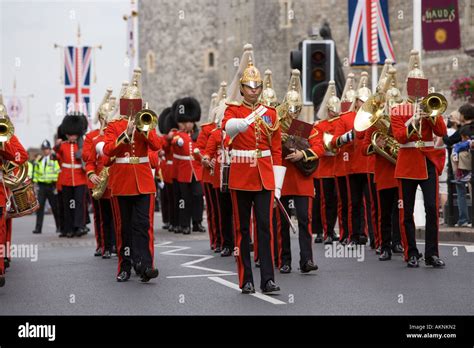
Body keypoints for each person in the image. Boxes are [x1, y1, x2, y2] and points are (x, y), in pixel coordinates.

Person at [222, 45, 283, 294]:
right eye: (249, 87)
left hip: (265, 176)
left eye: (257, 87)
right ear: (242, 88)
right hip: (240, 174)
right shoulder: (233, 110)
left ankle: (267, 278)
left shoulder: (270, 113)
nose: (254, 91)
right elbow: (227, 129)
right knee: (242, 229)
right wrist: (241, 122)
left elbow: (277, 149)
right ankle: (245, 278)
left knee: (265, 228)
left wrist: (278, 184)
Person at [102, 68, 161, 282]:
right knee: (124, 228)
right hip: (122, 182)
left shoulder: (146, 122)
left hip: (144, 182)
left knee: (143, 225)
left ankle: (145, 265)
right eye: (129, 103)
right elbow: (108, 150)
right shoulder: (114, 125)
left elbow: (157, 145)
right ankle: (124, 265)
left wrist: (143, 130)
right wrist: (125, 135)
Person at [391, 50, 447, 268]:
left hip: (428, 163)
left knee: (432, 210)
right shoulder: (398, 110)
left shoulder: (429, 104)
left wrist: (431, 115)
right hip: (407, 164)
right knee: (407, 212)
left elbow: (441, 131)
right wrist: (413, 120)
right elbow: (399, 137)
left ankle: (432, 253)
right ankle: (411, 252)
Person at [274, 69, 321, 274]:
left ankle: (306, 260)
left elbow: (319, 147)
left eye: (296, 109)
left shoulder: (303, 127)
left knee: (304, 220)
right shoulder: (276, 126)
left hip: (301, 179)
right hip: (283, 178)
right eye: (290, 109)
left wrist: (302, 155)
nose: (292, 113)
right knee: (283, 223)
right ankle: (284, 260)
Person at [0, 93, 28, 287]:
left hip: (1, 191)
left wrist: (3, 142)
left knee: (2, 228)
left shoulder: (6, 137)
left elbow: (21, 156)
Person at [171, 97, 205, 235]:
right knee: (184, 199)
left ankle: (197, 222)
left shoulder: (199, 134)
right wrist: (177, 141)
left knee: (198, 196)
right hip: (184, 172)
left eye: (190, 122)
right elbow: (173, 141)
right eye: (185, 122)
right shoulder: (178, 135)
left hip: (196, 170)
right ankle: (185, 224)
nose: (188, 124)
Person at [54, 112, 88, 238]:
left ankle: (79, 226)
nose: (72, 137)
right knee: (68, 205)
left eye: (74, 134)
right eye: (70, 134)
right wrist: (57, 145)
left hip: (80, 179)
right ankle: (68, 228)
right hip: (67, 179)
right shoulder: (63, 145)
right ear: (66, 134)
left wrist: (82, 154)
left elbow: (88, 157)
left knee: (79, 204)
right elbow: (56, 153)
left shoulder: (82, 146)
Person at [31, 139, 60, 234]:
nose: (45, 151)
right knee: (40, 208)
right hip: (42, 186)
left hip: (52, 186)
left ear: (50, 149)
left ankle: (59, 227)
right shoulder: (39, 160)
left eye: (47, 149)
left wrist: (57, 184)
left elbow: (58, 172)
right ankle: (38, 228)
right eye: (44, 149)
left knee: (55, 207)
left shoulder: (54, 159)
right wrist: (35, 184)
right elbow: (36, 173)